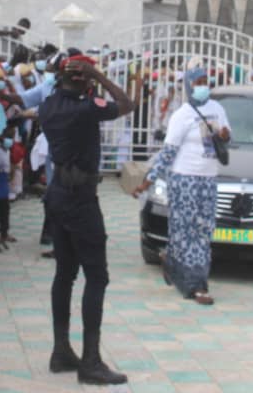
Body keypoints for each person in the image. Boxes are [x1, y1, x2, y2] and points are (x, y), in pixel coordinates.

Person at [38, 53, 134, 386]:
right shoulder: (85, 108)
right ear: (84, 78)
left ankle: (61, 349)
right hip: (80, 200)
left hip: (58, 196)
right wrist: (102, 78)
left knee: (64, 274)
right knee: (97, 276)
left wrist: (85, 78)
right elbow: (127, 104)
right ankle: (90, 361)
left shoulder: (48, 105)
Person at [133, 66, 229, 305]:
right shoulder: (181, 115)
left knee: (204, 230)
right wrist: (148, 180)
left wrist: (226, 135)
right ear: (189, 85)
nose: (203, 86)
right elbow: (167, 154)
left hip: (208, 179)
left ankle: (173, 262)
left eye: (206, 81)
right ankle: (197, 286)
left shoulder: (217, 109)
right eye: (198, 82)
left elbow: (226, 138)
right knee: (186, 231)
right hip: (184, 179)